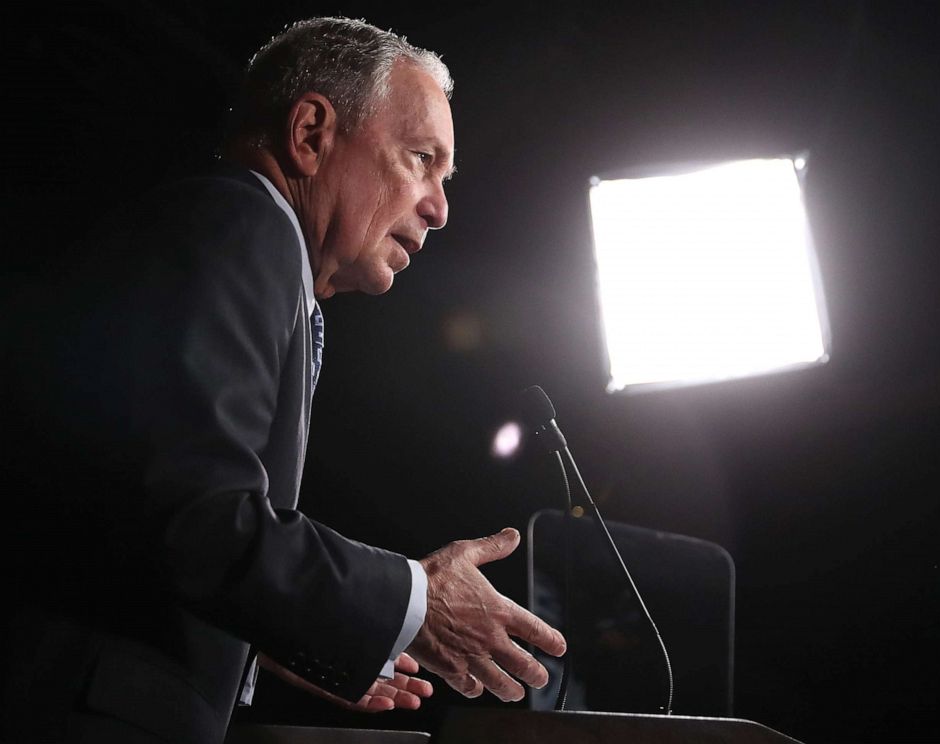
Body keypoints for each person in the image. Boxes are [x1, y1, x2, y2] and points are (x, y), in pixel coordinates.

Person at [0, 16, 565, 744]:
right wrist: (415, 600)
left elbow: (120, 522)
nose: (440, 206)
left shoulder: (251, 251)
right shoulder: (241, 224)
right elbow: (199, 516)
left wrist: (265, 641)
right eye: (421, 158)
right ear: (309, 135)